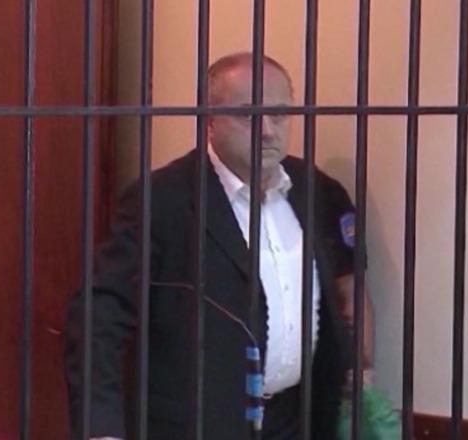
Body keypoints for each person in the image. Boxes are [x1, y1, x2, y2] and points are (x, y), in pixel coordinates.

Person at [64, 52, 375, 439]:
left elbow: (348, 289)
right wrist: (101, 429)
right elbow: (100, 316)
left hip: (296, 420)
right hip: (199, 424)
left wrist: (360, 373)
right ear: (209, 118)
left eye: (279, 114)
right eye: (248, 115)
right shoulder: (164, 199)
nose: (267, 130)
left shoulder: (318, 191)